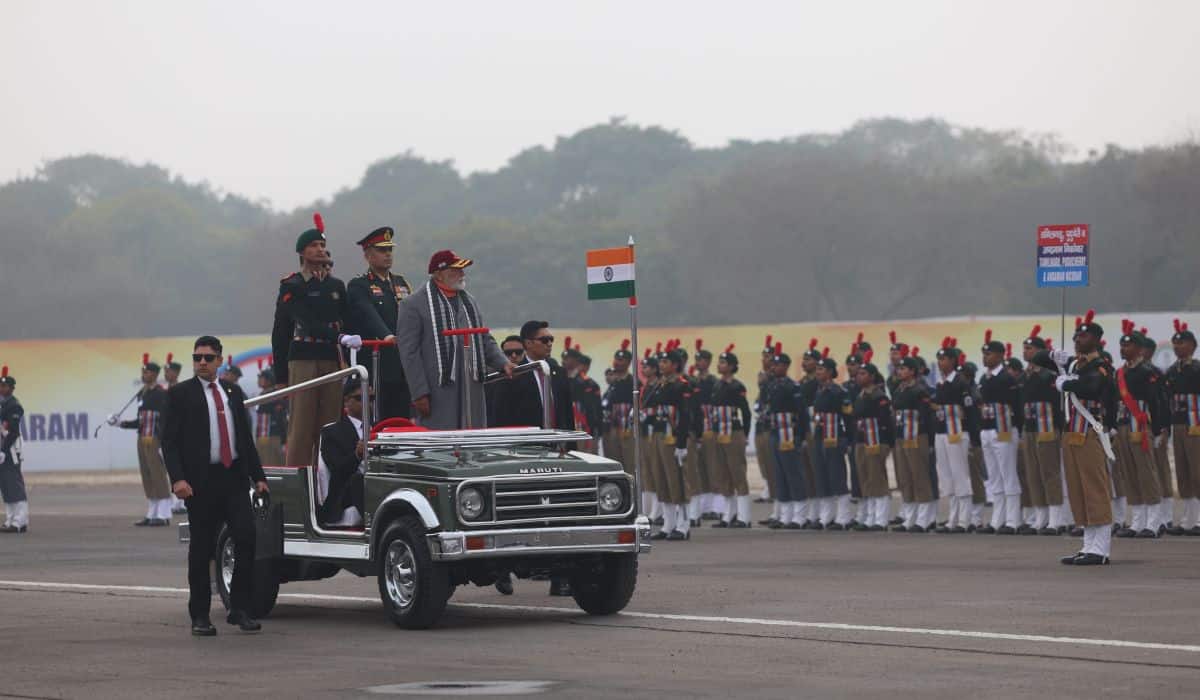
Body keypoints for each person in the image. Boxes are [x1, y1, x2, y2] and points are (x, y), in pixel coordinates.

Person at [163, 336, 268, 634]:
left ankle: (240, 608)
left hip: (233, 478)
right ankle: (200, 616)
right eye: (197, 358)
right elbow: (168, 442)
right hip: (200, 482)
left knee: (246, 538)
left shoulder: (233, 393)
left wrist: (258, 477)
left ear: (220, 360)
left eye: (208, 358)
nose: (202, 363)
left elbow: (245, 440)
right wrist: (178, 479)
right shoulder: (180, 394)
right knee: (202, 549)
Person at [271, 213, 359, 466]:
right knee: (301, 428)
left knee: (329, 425)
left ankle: (327, 484)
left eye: (322, 245)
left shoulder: (336, 286)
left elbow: (348, 321)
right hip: (304, 360)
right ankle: (299, 488)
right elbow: (285, 330)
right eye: (314, 246)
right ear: (302, 252)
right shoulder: (293, 285)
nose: (320, 250)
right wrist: (280, 377)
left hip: (332, 360)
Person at [395, 249, 513, 429]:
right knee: (441, 444)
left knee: (473, 442)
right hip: (438, 390)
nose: (462, 274)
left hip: (471, 386)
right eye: (456, 270)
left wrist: (503, 363)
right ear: (439, 274)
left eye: (462, 270)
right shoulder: (413, 304)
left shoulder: (469, 301)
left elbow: (484, 338)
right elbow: (409, 353)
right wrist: (419, 393)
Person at [1053, 312, 1117, 564]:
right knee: (1079, 490)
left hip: (1091, 433)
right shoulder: (1075, 365)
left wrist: (1066, 384)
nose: (1078, 339)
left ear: (1097, 339)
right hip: (1073, 434)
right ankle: (1088, 546)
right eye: (1077, 335)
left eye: (1084, 335)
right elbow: (1038, 359)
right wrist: (1052, 357)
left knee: (1095, 489)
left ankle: (1100, 550)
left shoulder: (1100, 366)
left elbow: (1092, 387)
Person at [346, 226, 413, 420]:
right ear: (368, 255)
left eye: (390, 249)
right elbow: (369, 314)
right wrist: (387, 335)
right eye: (382, 250)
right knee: (377, 417)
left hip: (402, 363)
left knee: (402, 418)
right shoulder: (359, 285)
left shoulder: (401, 282)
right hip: (377, 362)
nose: (388, 254)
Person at [1112, 322, 1166, 539]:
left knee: (1146, 472)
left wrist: (1160, 429)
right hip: (1123, 426)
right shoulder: (1120, 373)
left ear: (1140, 349)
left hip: (1141, 427)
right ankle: (1136, 522)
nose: (1124, 349)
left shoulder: (1149, 372)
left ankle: (1153, 522)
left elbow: (1158, 402)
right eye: (1122, 346)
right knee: (1129, 473)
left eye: (1129, 346)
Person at [110, 355, 173, 526]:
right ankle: (152, 512)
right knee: (147, 475)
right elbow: (141, 421)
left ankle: (164, 513)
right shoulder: (142, 394)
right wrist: (120, 423)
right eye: (142, 372)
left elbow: (166, 419)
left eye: (146, 372)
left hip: (155, 438)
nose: (143, 375)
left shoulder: (161, 394)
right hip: (142, 438)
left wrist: (163, 440)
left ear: (153, 374)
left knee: (158, 475)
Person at [977, 331, 1024, 535]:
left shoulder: (1007, 378)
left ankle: (1013, 520)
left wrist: (1019, 431)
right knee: (994, 476)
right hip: (987, 429)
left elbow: (1017, 406)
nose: (985, 357)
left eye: (989, 354)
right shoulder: (984, 378)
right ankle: (997, 519)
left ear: (1000, 355)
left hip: (1004, 428)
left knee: (1008, 475)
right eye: (984, 354)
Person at [491, 321, 574, 430]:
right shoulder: (514, 374)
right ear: (528, 343)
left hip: (558, 440)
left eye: (551, 339)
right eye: (544, 340)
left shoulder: (559, 373)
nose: (549, 344)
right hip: (527, 442)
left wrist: (570, 444)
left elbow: (568, 414)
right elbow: (501, 417)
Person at [1022, 349, 1069, 534]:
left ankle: (1056, 518)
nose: (1027, 352)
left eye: (1030, 349)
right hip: (1031, 427)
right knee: (1033, 473)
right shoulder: (1027, 376)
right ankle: (1040, 515)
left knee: (1050, 472)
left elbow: (1058, 405)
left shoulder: (1050, 377)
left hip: (1047, 426)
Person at [931, 338, 976, 533]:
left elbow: (970, 410)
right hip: (942, 432)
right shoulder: (940, 383)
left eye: (944, 359)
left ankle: (964, 520)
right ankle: (952, 518)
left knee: (960, 475)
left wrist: (973, 437)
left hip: (957, 432)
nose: (941, 363)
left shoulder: (960, 382)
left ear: (953, 361)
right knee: (946, 475)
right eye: (939, 359)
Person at [764, 344, 810, 530]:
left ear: (786, 366)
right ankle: (785, 514)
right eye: (773, 365)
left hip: (789, 434)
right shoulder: (771, 386)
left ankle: (799, 515)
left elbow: (802, 413)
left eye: (777, 365)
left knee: (794, 473)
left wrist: (802, 436)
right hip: (776, 432)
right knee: (779, 473)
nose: (774, 368)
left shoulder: (793, 387)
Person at [891, 354, 937, 532]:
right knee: (905, 477)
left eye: (903, 369)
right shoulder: (898, 391)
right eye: (899, 368)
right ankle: (909, 517)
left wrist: (930, 441)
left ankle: (924, 519)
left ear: (912, 372)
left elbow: (927, 417)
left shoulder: (920, 391)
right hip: (902, 437)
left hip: (917, 437)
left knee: (920, 476)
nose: (900, 371)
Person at [708, 345, 752, 527]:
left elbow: (746, 413)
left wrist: (745, 434)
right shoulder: (717, 385)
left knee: (737, 473)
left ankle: (744, 516)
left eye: (724, 362)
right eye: (719, 362)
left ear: (733, 366)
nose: (720, 365)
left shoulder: (737, 386)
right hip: (719, 433)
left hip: (733, 432)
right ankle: (728, 514)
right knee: (723, 473)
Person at [851, 352, 894, 531]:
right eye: (858, 374)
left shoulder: (879, 397)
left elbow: (886, 421)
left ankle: (881, 518)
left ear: (872, 376)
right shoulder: (860, 396)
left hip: (876, 441)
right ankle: (869, 517)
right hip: (862, 441)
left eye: (863, 374)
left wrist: (887, 444)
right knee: (865, 478)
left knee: (877, 479)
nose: (859, 377)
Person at [1165, 319, 1200, 535]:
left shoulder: (1197, 369)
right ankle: (1189, 517)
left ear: (1193, 346)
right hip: (1178, 425)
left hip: (1195, 424)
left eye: (1182, 343)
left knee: (1198, 470)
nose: (1178, 347)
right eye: (1175, 343)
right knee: (1184, 472)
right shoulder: (1171, 370)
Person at [811, 350, 853, 529]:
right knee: (822, 476)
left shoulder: (839, 392)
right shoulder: (819, 391)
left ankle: (843, 517)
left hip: (835, 437)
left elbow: (848, 418)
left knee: (837, 476)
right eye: (817, 369)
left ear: (830, 372)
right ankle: (826, 516)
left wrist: (848, 440)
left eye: (821, 369)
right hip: (820, 437)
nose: (817, 372)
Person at [319, 378, 370, 525]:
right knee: (358, 481)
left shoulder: (382, 429)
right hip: (347, 493)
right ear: (346, 402)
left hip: (376, 485)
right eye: (361, 398)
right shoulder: (332, 432)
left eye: (371, 398)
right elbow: (336, 470)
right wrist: (356, 455)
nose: (368, 403)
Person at [687, 340, 719, 524]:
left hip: (710, 425)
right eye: (697, 359)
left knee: (712, 466)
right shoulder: (693, 381)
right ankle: (704, 506)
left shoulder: (713, 382)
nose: (699, 363)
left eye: (702, 360)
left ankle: (716, 507)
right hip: (698, 424)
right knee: (698, 468)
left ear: (708, 362)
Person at [753, 335, 780, 523]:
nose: (765, 361)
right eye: (763, 357)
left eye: (768, 357)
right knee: (764, 464)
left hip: (773, 427)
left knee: (774, 466)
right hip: (762, 426)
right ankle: (770, 493)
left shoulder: (775, 380)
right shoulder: (762, 378)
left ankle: (778, 507)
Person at [0, 367, 28, 534]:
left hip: (11, 449)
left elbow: (13, 432)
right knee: (5, 485)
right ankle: (10, 519)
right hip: (3, 447)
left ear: (11, 388)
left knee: (14, 484)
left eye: (5, 386)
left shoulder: (14, 406)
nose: (2, 389)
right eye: (0, 386)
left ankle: (20, 521)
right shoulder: (2, 404)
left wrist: (3, 450)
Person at [601, 340, 635, 472]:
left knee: (629, 461)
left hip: (627, 428)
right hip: (612, 428)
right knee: (614, 462)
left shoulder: (633, 382)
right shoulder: (612, 385)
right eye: (616, 359)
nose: (617, 362)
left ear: (628, 362)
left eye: (621, 360)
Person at [253, 365, 287, 467]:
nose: (259, 380)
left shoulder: (274, 395)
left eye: (261, 378)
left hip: (272, 435)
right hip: (263, 435)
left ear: (269, 380)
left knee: (272, 465)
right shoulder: (263, 394)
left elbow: (280, 415)